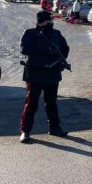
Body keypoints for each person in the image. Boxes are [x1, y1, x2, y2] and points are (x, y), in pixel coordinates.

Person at [19, 11, 70, 143]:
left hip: (52, 74)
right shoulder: (30, 33)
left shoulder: (56, 34)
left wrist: (59, 61)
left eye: (51, 21)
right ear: (40, 21)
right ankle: (25, 131)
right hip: (35, 74)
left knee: (52, 103)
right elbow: (24, 49)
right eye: (48, 21)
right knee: (31, 104)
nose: (51, 23)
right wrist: (46, 50)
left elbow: (65, 49)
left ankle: (54, 128)